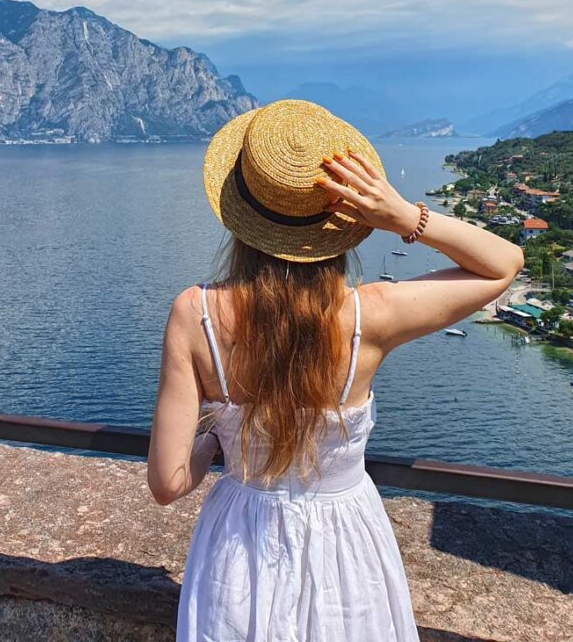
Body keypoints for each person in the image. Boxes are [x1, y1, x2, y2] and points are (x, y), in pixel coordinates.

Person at [148, 100, 524, 641]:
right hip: (347, 548)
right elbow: (503, 264)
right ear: (340, 222)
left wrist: (216, 441)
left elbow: (167, 483)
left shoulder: (194, 314)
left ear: (240, 214)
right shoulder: (370, 315)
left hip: (238, 547)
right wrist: (404, 217)